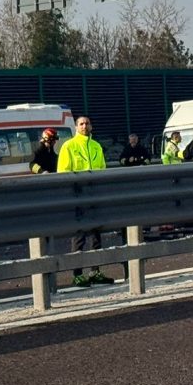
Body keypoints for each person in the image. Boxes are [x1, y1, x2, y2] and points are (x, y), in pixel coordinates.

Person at [57, 115, 114, 286]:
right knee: (79, 236)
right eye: (81, 124)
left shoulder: (96, 146)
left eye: (87, 123)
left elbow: (102, 169)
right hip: (78, 195)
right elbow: (63, 172)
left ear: (91, 126)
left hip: (95, 194)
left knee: (96, 235)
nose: (84, 126)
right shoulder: (69, 146)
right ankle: (77, 274)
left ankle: (95, 272)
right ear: (76, 127)